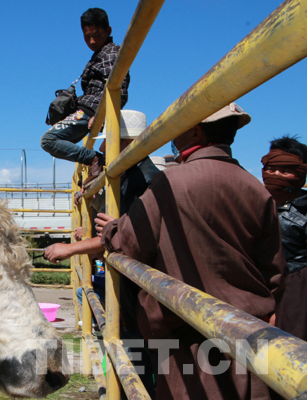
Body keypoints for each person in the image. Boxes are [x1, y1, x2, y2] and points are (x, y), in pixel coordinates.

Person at [97, 103, 285, 400]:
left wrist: (113, 229)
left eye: (179, 126)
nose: (172, 135)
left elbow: (130, 244)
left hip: (186, 328)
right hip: (247, 329)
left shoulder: (170, 182)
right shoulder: (256, 188)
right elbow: (273, 270)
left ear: (196, 130)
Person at [45, 109, 160, 398]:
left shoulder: (140, 178)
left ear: (124, 142)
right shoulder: (126, 172)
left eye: (108, 140)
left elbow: (122, 235)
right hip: (130, 274)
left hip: (138, 278)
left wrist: (70, 248)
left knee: (137, 343)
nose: (101, 148)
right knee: (126, 338)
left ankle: (136, 391)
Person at [40, 7, 130, 185]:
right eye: (87, 36)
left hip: (90, 111)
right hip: (88, 109)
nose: (92, 40)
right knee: (55, 141)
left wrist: (102, 114)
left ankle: (93, 159)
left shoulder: (110, 53)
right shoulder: (98, 54)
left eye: (97, 35)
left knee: (48, 140)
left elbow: (118, 88)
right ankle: (91, 163)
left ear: (108, 31)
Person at [261, 136, 307, 341]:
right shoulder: (253, 202)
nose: (276, 175)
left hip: (296, 295)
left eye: (284, 169)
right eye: (271, 168)